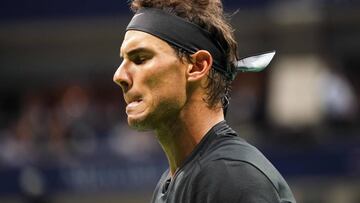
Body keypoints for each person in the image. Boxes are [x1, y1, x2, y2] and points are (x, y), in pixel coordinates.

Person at [113, 0, 296, 202]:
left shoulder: (231, 176)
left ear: (197, 66)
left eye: (140, 58)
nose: (119, 75)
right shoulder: (172, 183)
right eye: (123, 60)